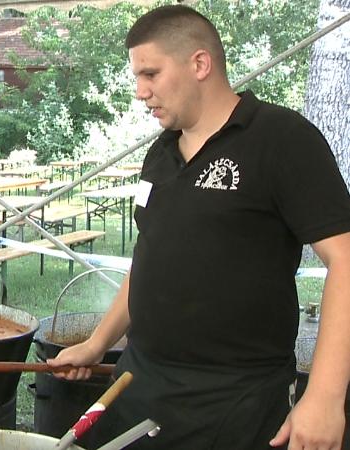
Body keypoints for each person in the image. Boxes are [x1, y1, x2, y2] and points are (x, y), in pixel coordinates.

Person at [47, 5, 350, 449]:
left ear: (200, 63)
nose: (139, 91)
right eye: (137, 76)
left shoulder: (282, 139)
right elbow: (151, 258)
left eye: (150, 73)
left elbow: (344, 258)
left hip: (235, 405)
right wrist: (98, 342)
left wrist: (324, 397)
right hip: (140, 387)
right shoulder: (161, 153)